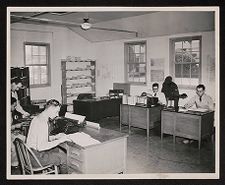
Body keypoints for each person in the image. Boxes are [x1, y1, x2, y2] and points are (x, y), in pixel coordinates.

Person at [26, 99, 71, 174]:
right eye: (56, 111)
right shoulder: (43, 123)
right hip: (36, 158)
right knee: (64, 157)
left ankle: (57, 173)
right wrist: (60, 140)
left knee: (57, 150)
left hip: (29, 154)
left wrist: (55, 137)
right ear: (50, 109)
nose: (57, 115)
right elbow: (41, 147)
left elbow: (39, 138)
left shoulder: (37, 118)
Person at [11, 97, 26, 169]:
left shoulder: (11, 112)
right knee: (14, 146)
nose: (15, 108)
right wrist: (15, 126)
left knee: (24, 138)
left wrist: (14, 130)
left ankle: (24, 160)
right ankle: (14, 164)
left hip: (10, 133)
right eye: (14, 106)